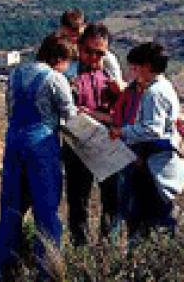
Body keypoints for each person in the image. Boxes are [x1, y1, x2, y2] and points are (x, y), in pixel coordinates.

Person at [0, 34, 77, 281]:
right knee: (46, 213)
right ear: (59, 59)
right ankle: (47, 273)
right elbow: (70, 117)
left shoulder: (16, 75)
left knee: (11, 210)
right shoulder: (55, 78)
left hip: (14, 144)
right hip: (42, 148)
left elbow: (10, 109)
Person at [109, 43, 184, 239]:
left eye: (135, 67)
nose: (133, 73)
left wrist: (123, 132)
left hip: (154, 163)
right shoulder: (165, 87)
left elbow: (152, 129)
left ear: (147, 67)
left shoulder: (154, 93)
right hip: (160, 160)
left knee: (151, 215)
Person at [63, 23, 122, 245]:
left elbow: (122, 110)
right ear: (79, 46)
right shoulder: (68, 71)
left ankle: (107, 252)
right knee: (78, 202)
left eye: (100, 53)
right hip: (76, 144)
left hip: (106, 141)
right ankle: (81, 251)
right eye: (90, 51)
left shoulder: (109, 69)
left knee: (112, 201)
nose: (95, 57)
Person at [57, 8, 123, 83]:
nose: (93, 56)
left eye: (77, 30)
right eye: (71, 30)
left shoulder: (108, 60)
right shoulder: (64, 58)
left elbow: (118, 86)